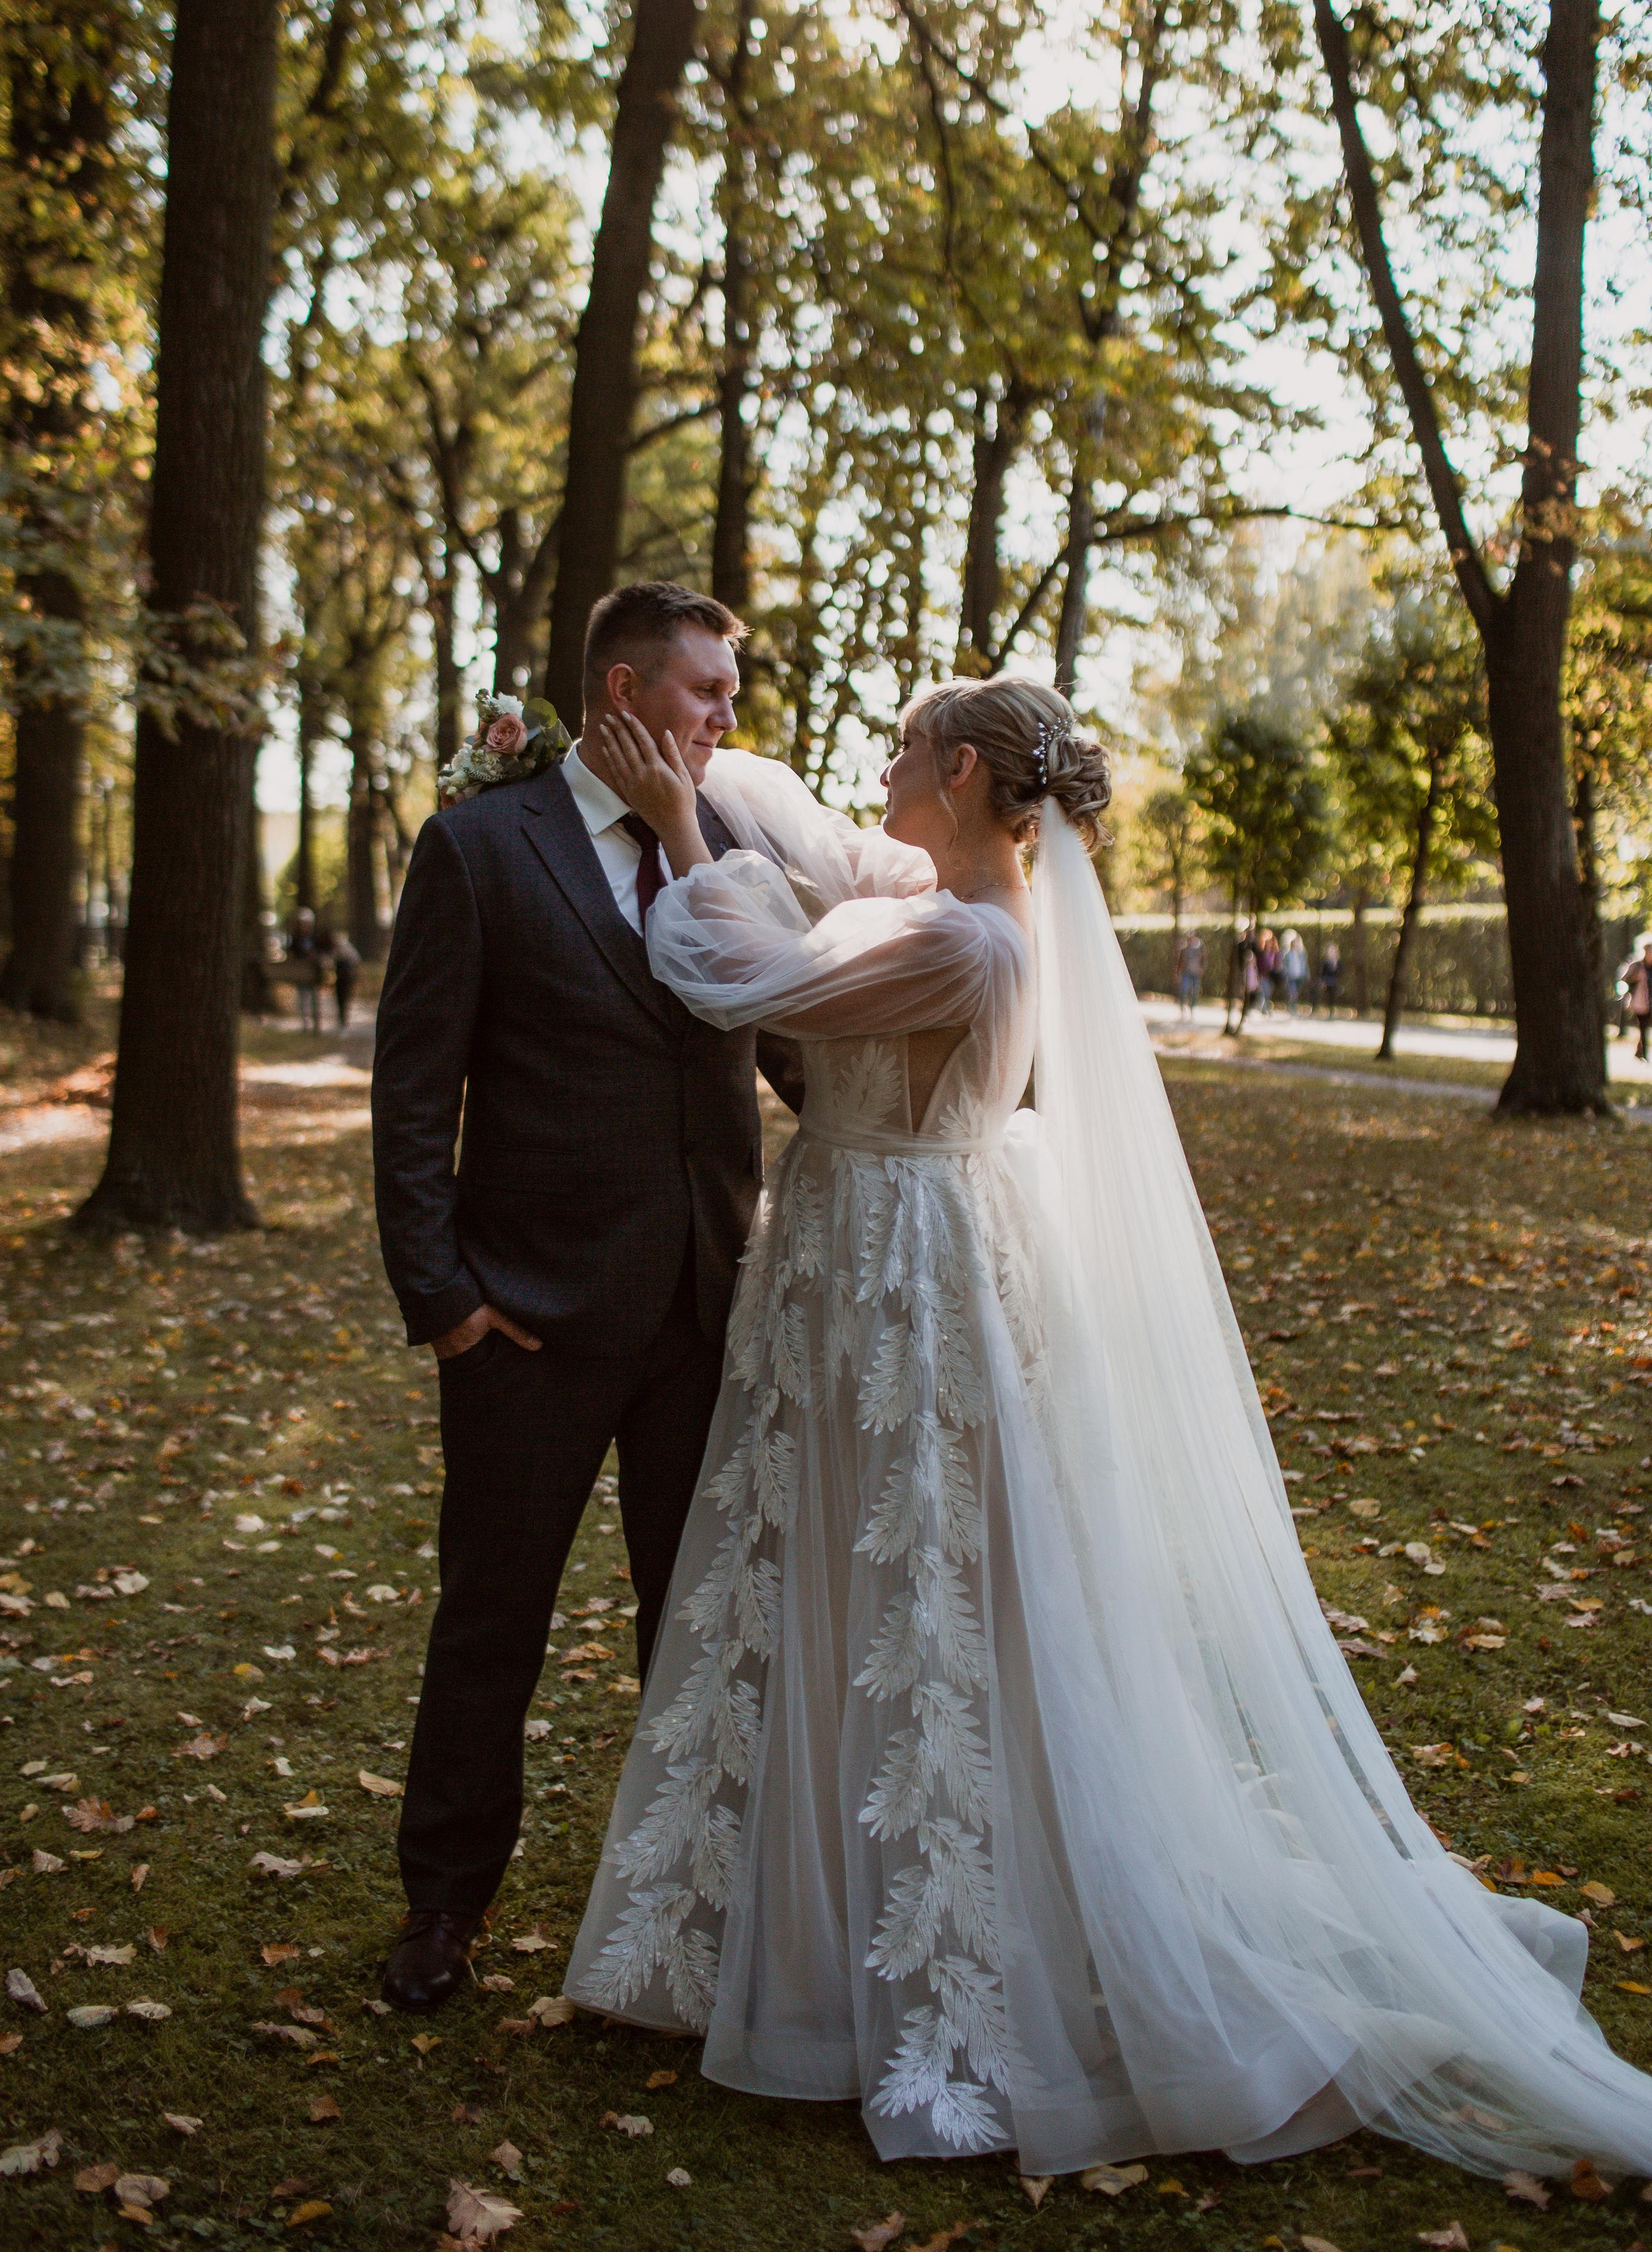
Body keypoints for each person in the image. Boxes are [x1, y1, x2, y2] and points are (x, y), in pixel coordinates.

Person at [562, 673, 1652, 2188]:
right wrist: (701, 765)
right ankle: (793, 1928)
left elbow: (751, 979)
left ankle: (903, 1964)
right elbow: (826, 859)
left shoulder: (965, 934)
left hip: (902, 1273)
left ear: (952, 770)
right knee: (837, 1579)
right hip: (859, 1256)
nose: (874, 768)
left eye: (898, 749)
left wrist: (680, 822)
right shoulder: (945, 889)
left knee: (915, 1595)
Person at [369, 580, 803, 2014]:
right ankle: (442, 1902)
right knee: (491, 1618)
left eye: (729, 698)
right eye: (704, 695)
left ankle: (700, 1899)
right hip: (528, 1324)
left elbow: (795, 1056)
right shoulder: (480, 847)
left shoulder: (727, 841)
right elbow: (415, 1089)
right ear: (623, 696)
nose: (726, 720)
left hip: (702, 1311)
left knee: (690, 1622)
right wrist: (443, 1302)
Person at [285, 906, 323, 1032]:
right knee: (303, 998)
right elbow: (290, 953)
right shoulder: (296, 938)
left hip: (313, 972)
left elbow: (321, 952)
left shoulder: (315, 937)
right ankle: (305, 1024)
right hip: (301, 972)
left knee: (314, 998)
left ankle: (316, 1023)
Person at [1625, 935, 1652, 1063]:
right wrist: (1637, 978)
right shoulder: (1637, 965)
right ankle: (1644, 1055)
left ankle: (1640, 1051)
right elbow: (1625, 979)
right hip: (1640, 1001)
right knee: (1643, 1028)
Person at [330, 930, 360, 1031]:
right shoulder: (343, 951)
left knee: (344, 999)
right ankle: (342, 1019)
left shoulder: (346, 951)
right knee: (342, 999)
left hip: (345, 977)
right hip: (342, 977)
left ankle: (343, 1019)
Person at [1173, 929, 1205, 1021]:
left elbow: (1204, 959)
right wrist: (1177, 973)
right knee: (1184, 989)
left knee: (1194, 992)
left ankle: (1192, 1010)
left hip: (1196, 974)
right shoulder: (1184, 949)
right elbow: (1179, 962)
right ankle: (1182, 1009)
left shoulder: (1200, 948)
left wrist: (1202, 968)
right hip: (1186, 973)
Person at [1280, 929, 1309, 1014]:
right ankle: (1293, 1008)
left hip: (1299, 976)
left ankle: (1293, 1006)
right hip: (1291, 976)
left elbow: (1305, 964)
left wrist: (1307, 973)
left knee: (1296, 993)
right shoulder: (1287, 953)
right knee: (1293, 992)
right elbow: (1284, 965)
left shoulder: (1302, 953)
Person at [1254, 927, 1280, 1014]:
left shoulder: (1275, 951)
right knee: (1263, 990)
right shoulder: (1260, 951)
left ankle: (1265, 1007)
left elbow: (1278, 962)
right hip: (1263, 975)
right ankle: (1264, 1008)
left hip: (1272, 975)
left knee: (1268, 991)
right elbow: (1258, 963)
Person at [1318, 936, 1342, 1016]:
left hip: (1335, 982)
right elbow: (1323, 973)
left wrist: (1335, 968)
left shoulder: (1338, 962)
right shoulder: (1326, 962)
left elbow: (1340, 973)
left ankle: (1332, 1010)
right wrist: (1323, 982)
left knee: (1334, 990)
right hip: (1327, 981)